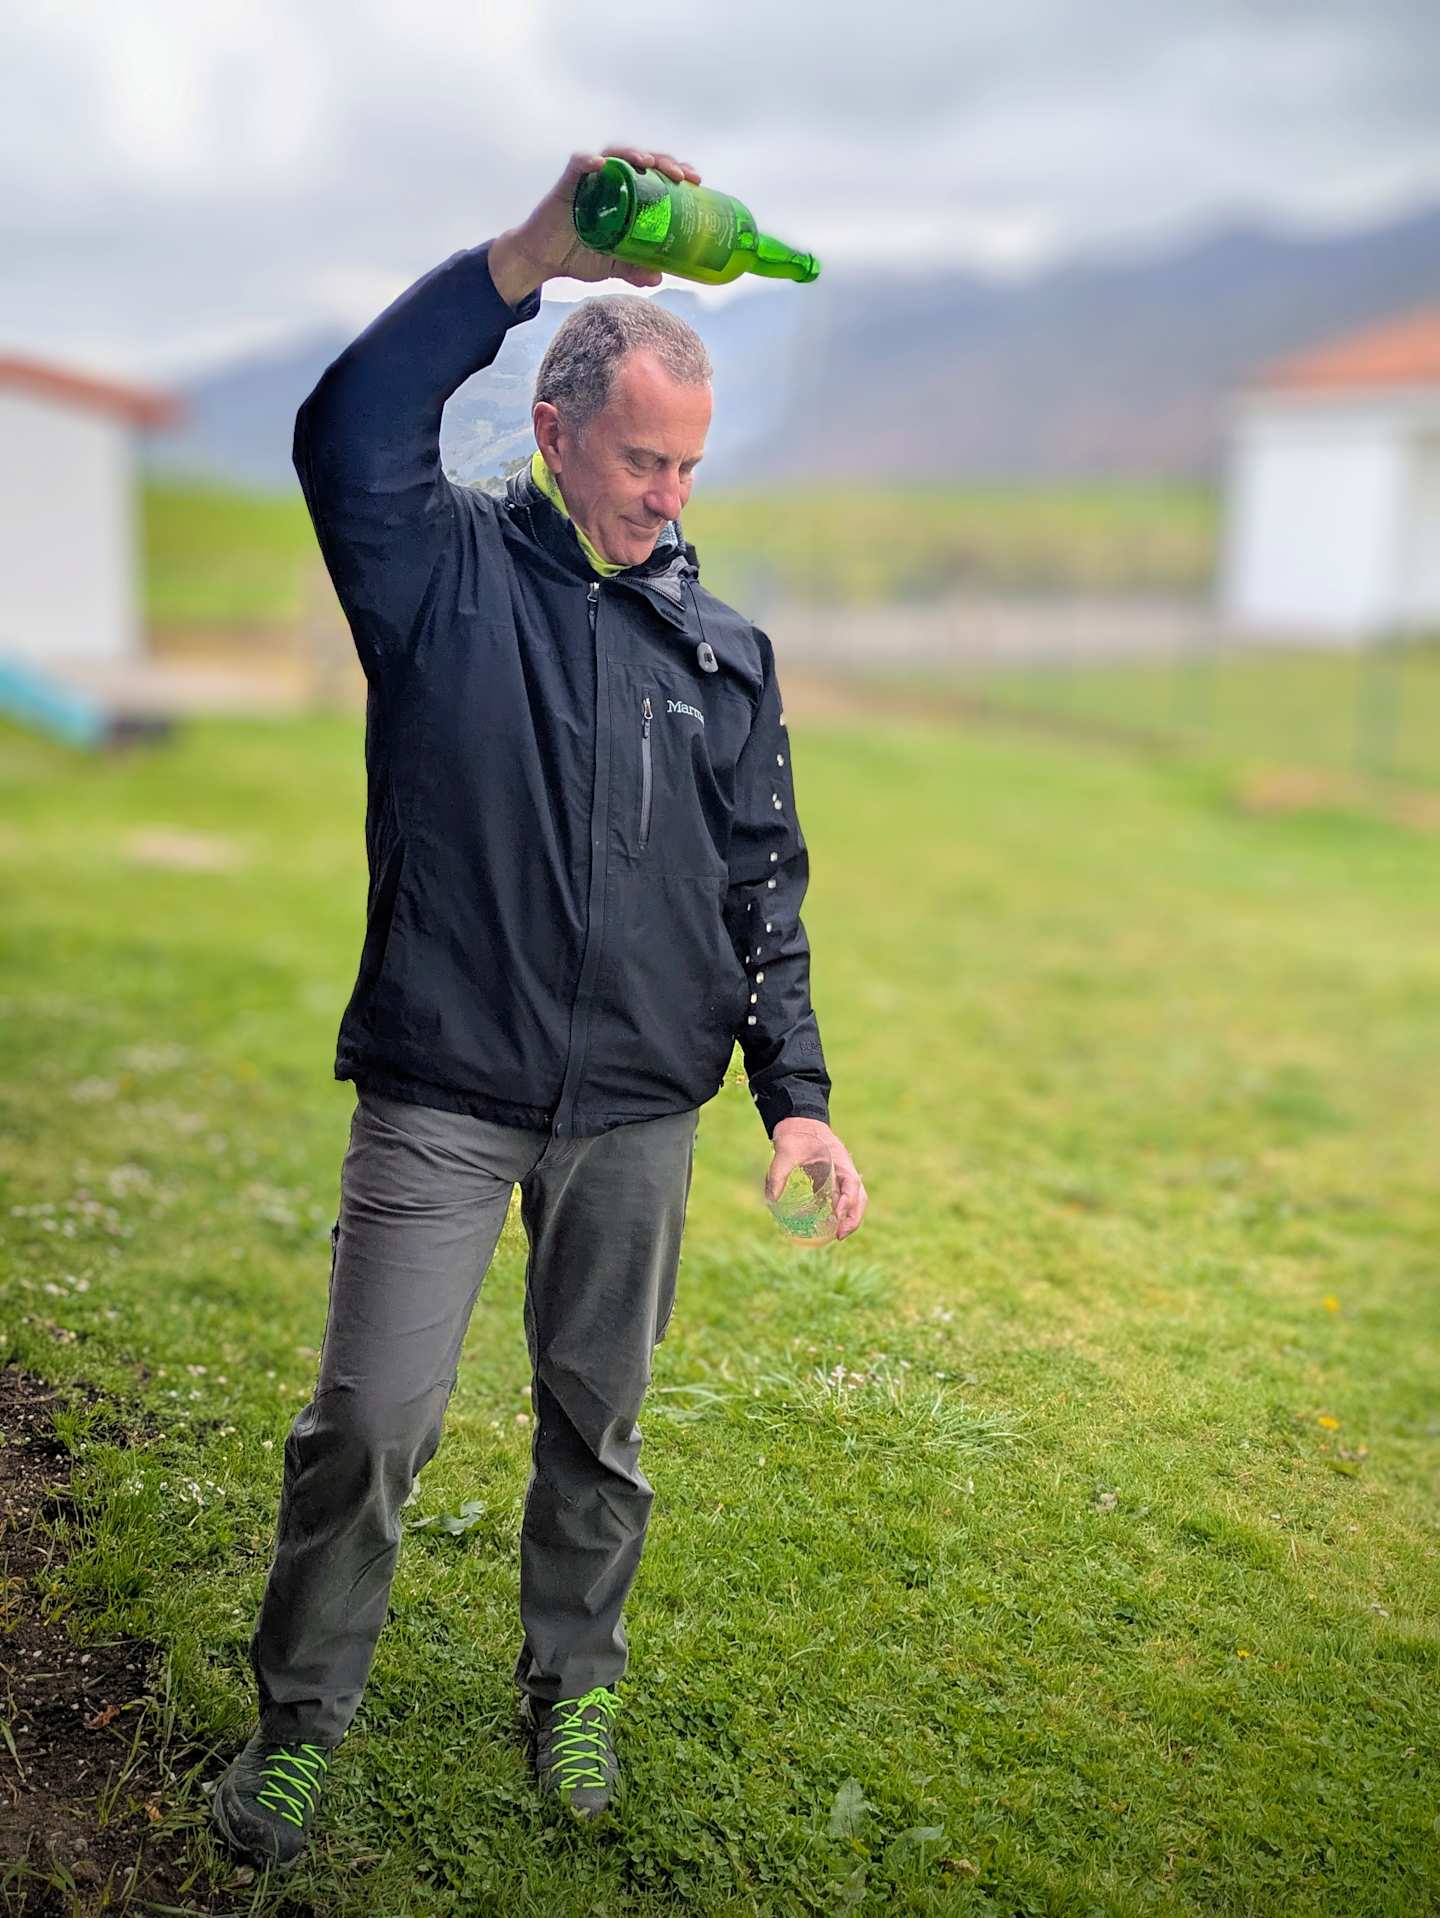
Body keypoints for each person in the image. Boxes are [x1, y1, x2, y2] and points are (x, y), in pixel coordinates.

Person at [209, 144, 868, 1873]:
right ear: (558, 429)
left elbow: (761, 886)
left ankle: (574, 1675)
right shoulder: (435, 577)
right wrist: (528, 255)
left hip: (640, 1107)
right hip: (444, 1084)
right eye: (642, 457)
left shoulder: (721, 650)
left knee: (599, 1426)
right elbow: (344, 425)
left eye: (689, 465)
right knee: (372, 1419)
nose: (667, 492)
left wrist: (793, 1091)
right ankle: (301, 1722)